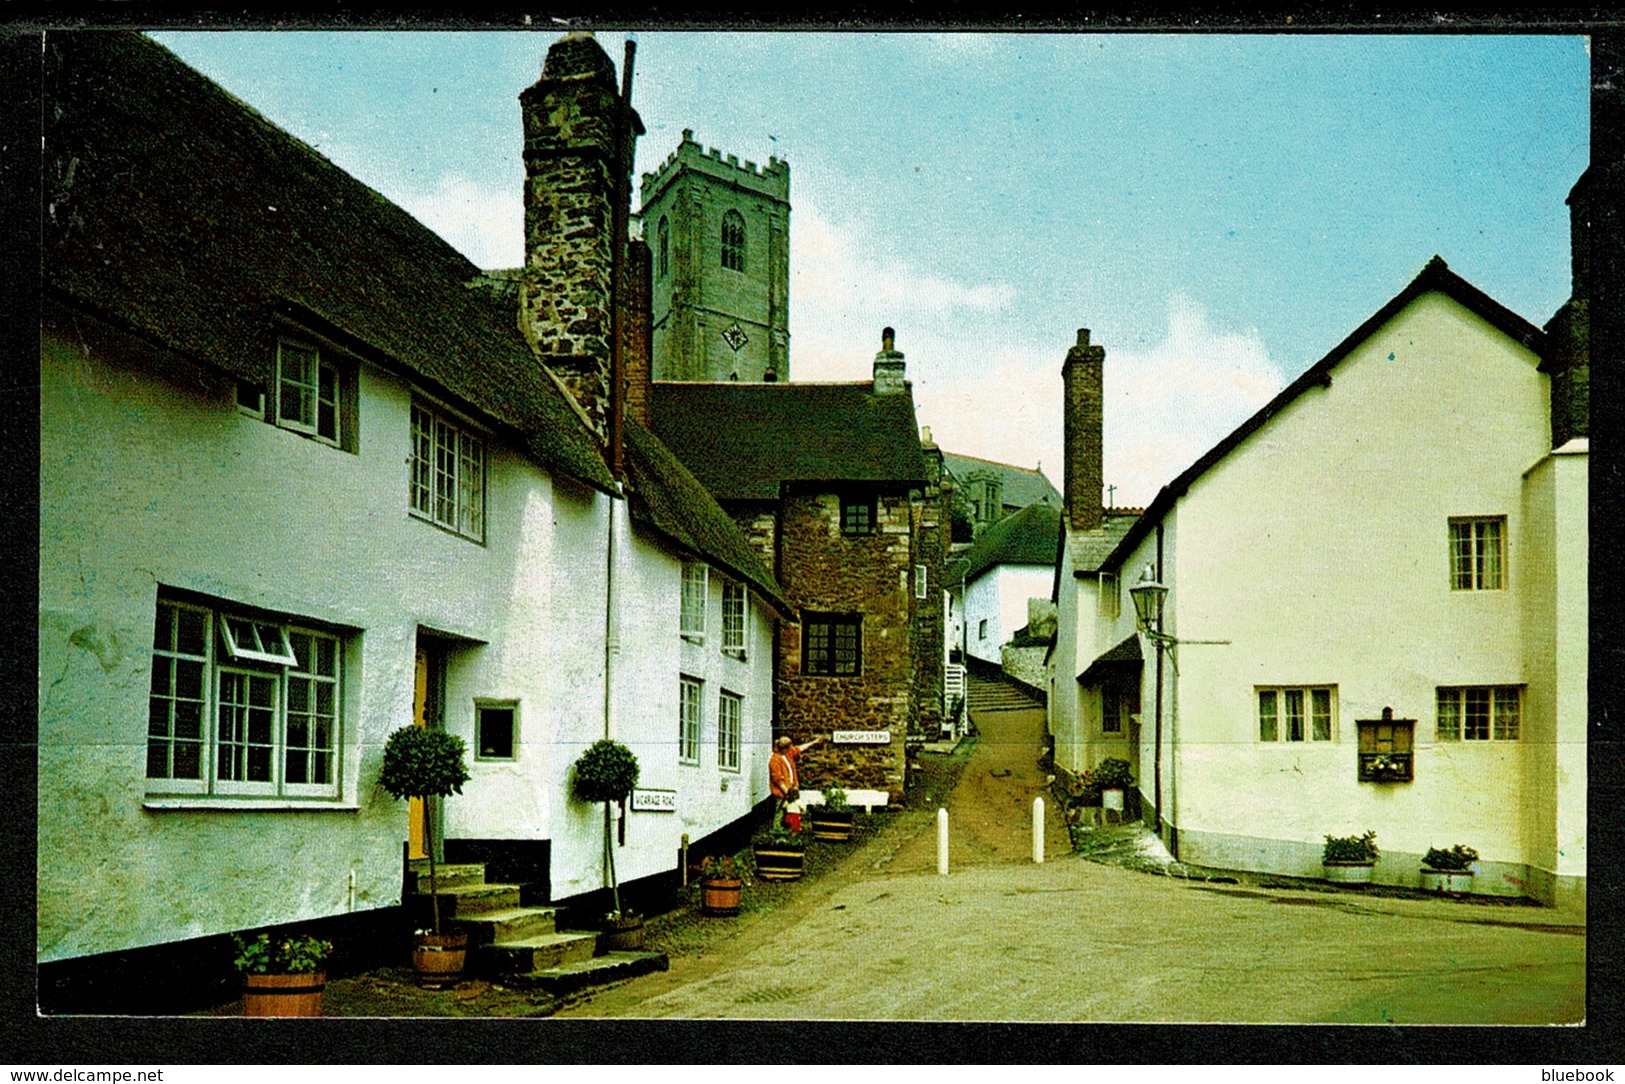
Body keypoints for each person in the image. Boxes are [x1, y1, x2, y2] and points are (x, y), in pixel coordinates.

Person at [768, 734, 822, 831]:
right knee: (780, 812)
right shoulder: (775, 760)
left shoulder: (787, 754)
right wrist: (788, 793)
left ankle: (788, 831)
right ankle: (777, 832)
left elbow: (799, 749)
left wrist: (814, 742)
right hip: (782, 793)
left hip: (791, 790)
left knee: (791, 812)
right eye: (789, 747)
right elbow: (778, 779)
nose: (791, 749)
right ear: (784, 748)